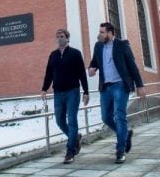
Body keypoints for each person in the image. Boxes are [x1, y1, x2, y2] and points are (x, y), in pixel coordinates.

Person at [88, 22, 145, 164]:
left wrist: (140, 85)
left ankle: (120, 150)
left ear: (110, 33)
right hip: (105, 87)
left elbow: (132, 66)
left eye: (102, 32)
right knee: (106, 118)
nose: (99, 35)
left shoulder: (122, 45)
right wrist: (92, 68)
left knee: (119, 116)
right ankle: (125, 134)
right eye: (99, 31)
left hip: (120, 85)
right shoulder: (98, 46)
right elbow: (94, 62)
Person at [41, 28, 90, 164]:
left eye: (61, 36)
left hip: (72, 92)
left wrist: (86, 91)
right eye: (57, 36)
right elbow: (49, 73)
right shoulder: (53, 55)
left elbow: (82, 73)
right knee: (59, 120)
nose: (59, 38)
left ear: (67, 38)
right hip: (58, 93)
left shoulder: (75, 53)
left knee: (72, 120)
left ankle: (70, 151)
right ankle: (74, 138)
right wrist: (44, 89)